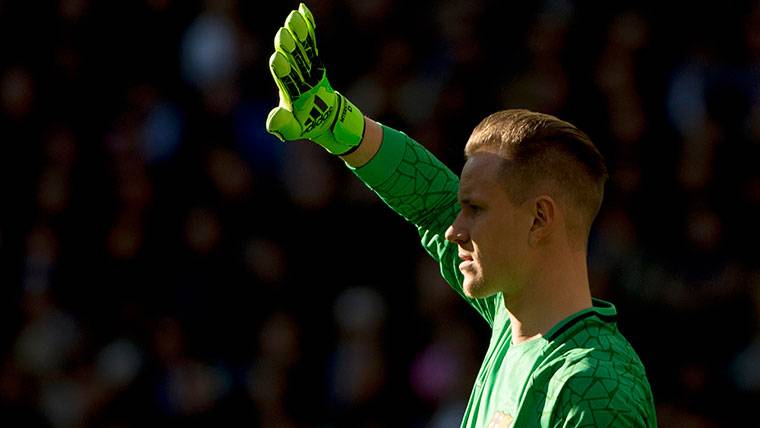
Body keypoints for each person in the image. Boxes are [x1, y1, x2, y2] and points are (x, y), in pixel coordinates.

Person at [265, 4, 657, 427]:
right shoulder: (513, 323)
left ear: (539, 219)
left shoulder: (595, 387)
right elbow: (432, 204)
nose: (454, 229)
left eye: (475, 209)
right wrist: (336, 123)